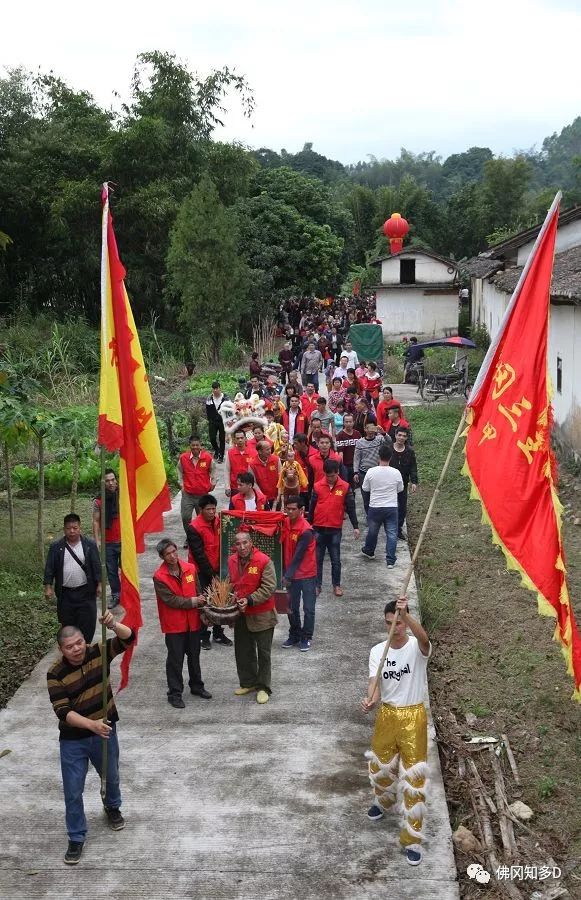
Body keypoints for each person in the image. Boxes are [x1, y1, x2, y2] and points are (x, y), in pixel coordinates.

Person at [47, 611, 134, 865]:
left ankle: (112, 806)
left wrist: (114, 624)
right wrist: (91, 725)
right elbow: (62, 711)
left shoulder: (99, 652)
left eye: (79, 643)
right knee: (73, 791)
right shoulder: (55, 673)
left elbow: (129, 639)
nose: (76, 649)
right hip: (74, 739)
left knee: (111, 775)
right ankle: (76, 837)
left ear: (85, 640)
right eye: (69, 647)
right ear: (61, 649)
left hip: (105, 730)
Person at [361, 597, 431, 867]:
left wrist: (408, 616)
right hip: (387, 715)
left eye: (399, 623)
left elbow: (424, 639)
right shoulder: (378, 651)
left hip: (414, 717)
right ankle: (383, 800)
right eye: (390, 624)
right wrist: (370, 700)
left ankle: (412, 838)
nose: (395, 628)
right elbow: (374, 683)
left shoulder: (417, 647)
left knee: (414, 779)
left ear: (407, 621)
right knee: (380, 767)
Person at [153, 538, 212, 709]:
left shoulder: (190, 568)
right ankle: (175, 693)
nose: (172, 556)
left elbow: (199, 592)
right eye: (167, 554)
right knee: (175, 660)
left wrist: (203, 613)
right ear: (162, 557)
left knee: (194, 657)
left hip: (193, 622)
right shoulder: (159, 577)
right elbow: (171, 600)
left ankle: (197, 686)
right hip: (174, 625)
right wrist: (193, 602)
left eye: (174, 552)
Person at [229, 531, 277, 704]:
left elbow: (269, 587)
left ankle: (264, 687)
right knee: (243, 650)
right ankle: (248, 682)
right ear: (235, 546)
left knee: (263, 653)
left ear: (251, 543)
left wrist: (249, 600)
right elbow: (232, 582)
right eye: (238, 544)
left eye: (245, 543)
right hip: (241, 614)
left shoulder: (264, 561)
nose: (242, 547)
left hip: (262, 614)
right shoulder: (232, 560)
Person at [44, 514, 102, 644]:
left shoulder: (89, 544)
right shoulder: (56, 547)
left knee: (87, 625)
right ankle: (71, 653)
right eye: (68, 528)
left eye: (75, 528)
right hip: (65, 595)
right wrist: (48, 587)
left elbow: (96, 566)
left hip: (86, 593)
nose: (72, 531)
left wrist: (100, 584)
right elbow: (50, 568)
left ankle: (85, 650)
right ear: (64, 529)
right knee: (68, 627)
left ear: (79, 528)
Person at [186, 494, 232, 649]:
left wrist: (221, 570)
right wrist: (212, 575)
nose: (212, 512)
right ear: (201, 510)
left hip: (218, 568)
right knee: (204, 602)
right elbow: (199, 555)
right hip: (201, 571)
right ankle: (203, 635)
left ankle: (219, 632)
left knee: (222, 601)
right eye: (208, 509)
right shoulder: (194, 527)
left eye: (214, 509)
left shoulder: (221, 521)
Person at [309, 459, 359, 598]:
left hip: (335, 529)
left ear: (338, 473)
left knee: (335, 560)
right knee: (317, 559)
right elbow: (312, 507)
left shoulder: (345, 487)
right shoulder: (317, 486)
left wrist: (355, 526)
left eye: (333, 475)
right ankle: (317, 585)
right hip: (319, 528)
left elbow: (351, 507)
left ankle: (336, 585)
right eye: (328, 476)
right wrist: (309, 525)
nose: (330, 478)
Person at [281, 496, 317, 651]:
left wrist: (287, 575)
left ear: (301, 510)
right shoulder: (285, 523)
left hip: (307, 574)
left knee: (308, 608)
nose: (289, 511)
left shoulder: (306, 530)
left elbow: (298, 555)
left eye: (293, 509)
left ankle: (306, 636)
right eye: (287, 508)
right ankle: (294, 633)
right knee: (291, 607)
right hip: (292, 574)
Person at [360, 444, 403, 567]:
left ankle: (369, 550)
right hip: (391, 507)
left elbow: (365, 488)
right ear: (391, 457)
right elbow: (400, 489)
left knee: (373, 531)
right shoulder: (396, 472)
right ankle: (390, 560)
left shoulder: (371, 472)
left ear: (378, 457)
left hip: (375, 506)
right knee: (392, 533)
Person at [92, 469, 121, 609]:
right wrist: (97, 540)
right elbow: (96, 521)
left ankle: (128, 593)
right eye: (107, 481)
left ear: (116, 480)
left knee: (127, 569)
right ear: (103, 483)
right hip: (108, 542)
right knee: (112, 571)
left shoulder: (124, 496)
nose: (111, 483)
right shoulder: (98, 501)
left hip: (124, 540)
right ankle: (116, 594)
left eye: (112, 480)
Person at [177, 435, 217, 533]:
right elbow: (179, 471)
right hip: (188, 494)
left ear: (200, 445)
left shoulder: (207, 457)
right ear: (190, 445)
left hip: (202, 495)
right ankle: (189, 536)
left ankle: (202, 535)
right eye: (193, 445)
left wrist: (213, 483)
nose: (195, 447)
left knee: (203, 518)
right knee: (186, 517)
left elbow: (213, 471)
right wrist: (181, 485)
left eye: (197, 445)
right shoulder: (183, 458)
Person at [354, 424, 392, 517]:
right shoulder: (360, 442)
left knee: (378, 495)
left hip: (378, 472)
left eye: (372, 431)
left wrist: (383, 433)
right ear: (365, 430)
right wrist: (355, 472)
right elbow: (356, 458)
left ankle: (379, 515)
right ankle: (369, 515)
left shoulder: (379, 439)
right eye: (369, 430)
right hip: (364, 473)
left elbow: (389, 441)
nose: (370, 433)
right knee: (366, 496)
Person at [389, 427, 418, 539]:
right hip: (389, 484)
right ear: (395, 435)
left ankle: (398, 529)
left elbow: (413, 467)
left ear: (407, 438)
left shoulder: (409, 451)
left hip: (403, 484)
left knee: (402, 508)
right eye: (399, 435)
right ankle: (390, 528)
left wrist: (414, 482)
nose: (401, 438)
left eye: (404, 436)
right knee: (391, 507)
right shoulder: (389, 449)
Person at [224, 430, 256, 499]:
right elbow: (227, 470)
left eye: (242, 438)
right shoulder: (230, 453)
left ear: (245, 439)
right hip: (235, 487)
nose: (240, 440)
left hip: (249, 487)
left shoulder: (253, 453)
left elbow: (256, 471)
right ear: (234, 440)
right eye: (238, 438)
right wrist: (227, 487)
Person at [250, 440, 281, 510]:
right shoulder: (252, 464)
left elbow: (281, 477)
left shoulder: (276, 460)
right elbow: (253, 482)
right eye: (267, 449)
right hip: (261, 498)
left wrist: (279, 493)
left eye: (270, 448)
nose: (270, 451)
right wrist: (261, 496)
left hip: (276, 496)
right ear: (260, 451)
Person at [335, 413, 361, 487]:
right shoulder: (340, 435)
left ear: (353, 422)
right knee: (345, 486)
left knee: (355, 487)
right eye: (346, 422)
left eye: (350, 422)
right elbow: (340, 452)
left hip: (356, 465)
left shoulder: (358, 434)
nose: (348, 424)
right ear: (343, 423)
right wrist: (341, 466)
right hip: (345, 465)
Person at [205, 381, 228, 462]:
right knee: (212, 438)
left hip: (223, 421)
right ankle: (217, 450)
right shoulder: (209, 398)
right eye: (213, 389)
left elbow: (229, 410)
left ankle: (221, 456)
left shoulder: (225, 398)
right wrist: (209, 419)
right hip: (212, 421)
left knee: (222, 439)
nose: (215, 390)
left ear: (219, 388)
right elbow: (207, 410)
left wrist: (228, 420)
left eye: (216, 388)